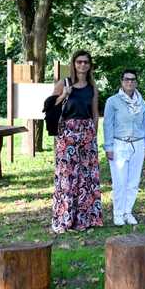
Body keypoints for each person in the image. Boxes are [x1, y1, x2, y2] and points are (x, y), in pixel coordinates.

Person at [51, 50, 104, 233]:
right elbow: (50, 107)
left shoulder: (92, 87)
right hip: (67, 134)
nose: (83, 65)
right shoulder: (64, 83)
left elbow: (95, 113)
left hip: (87, 133)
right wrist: (64, 94)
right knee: (67, 177)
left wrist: (93, 135)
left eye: (86, 62)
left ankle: (85, 219)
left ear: (90, 65)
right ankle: (65, 219)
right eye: (79, 62)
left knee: (86, 178)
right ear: (73, 64)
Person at [103, 69, 145, 226]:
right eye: (127, 79)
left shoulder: (141, 101)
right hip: (119, 144)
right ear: (122, 82)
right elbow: (107, 124)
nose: (130, 82)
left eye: (133, 79)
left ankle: (128, 211)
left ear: (136, 82)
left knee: (133, 182)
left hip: (138, 143)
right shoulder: (113, 101)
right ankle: (118, 213)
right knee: (119, 181)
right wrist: (108, 147)